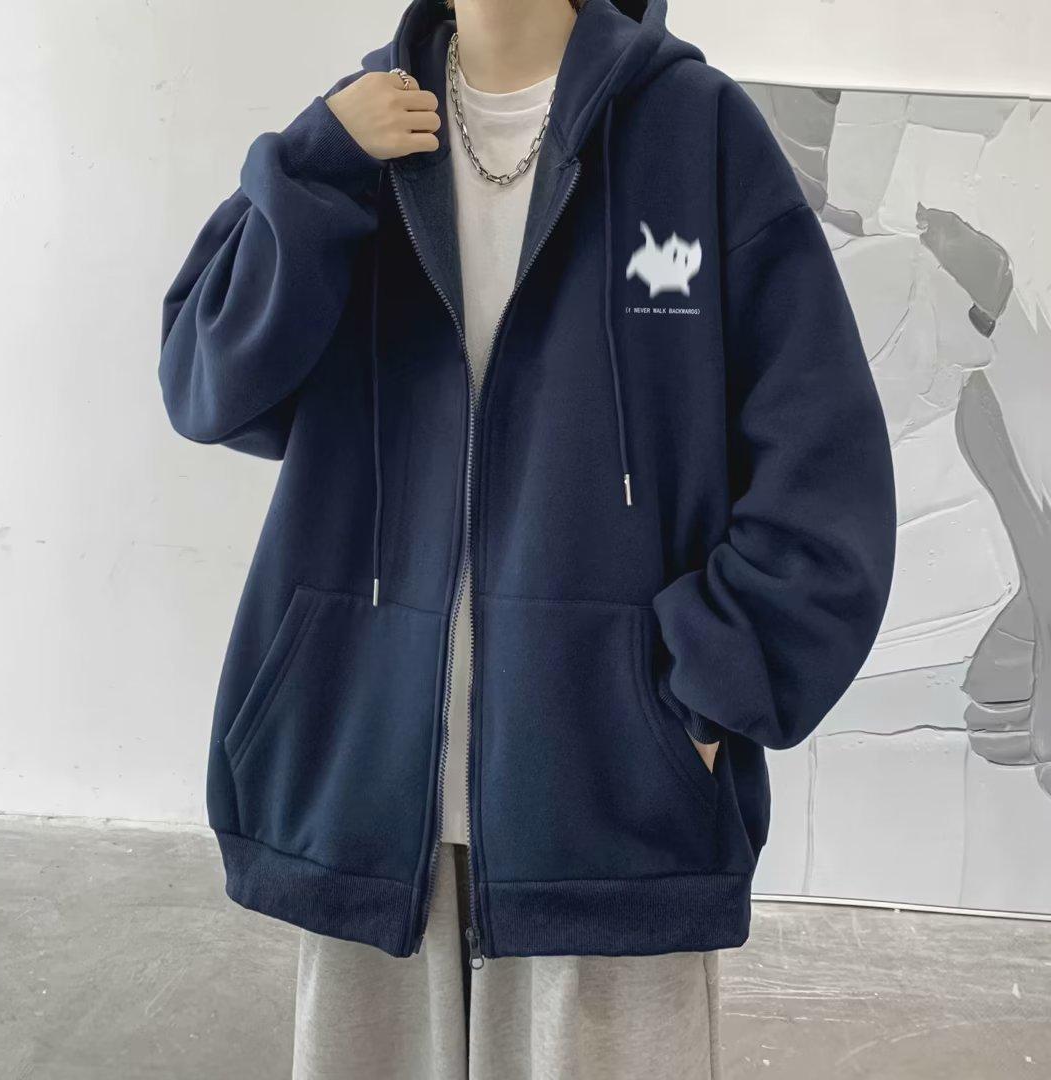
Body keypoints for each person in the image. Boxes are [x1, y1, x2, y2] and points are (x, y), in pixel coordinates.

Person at [158, 0, 897, 1076]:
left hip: (611, 797)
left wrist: (706, 696)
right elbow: (208, 385)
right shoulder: (358, 134)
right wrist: (315, 169)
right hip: (368, 789)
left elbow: (823, 463)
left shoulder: (694, 130)